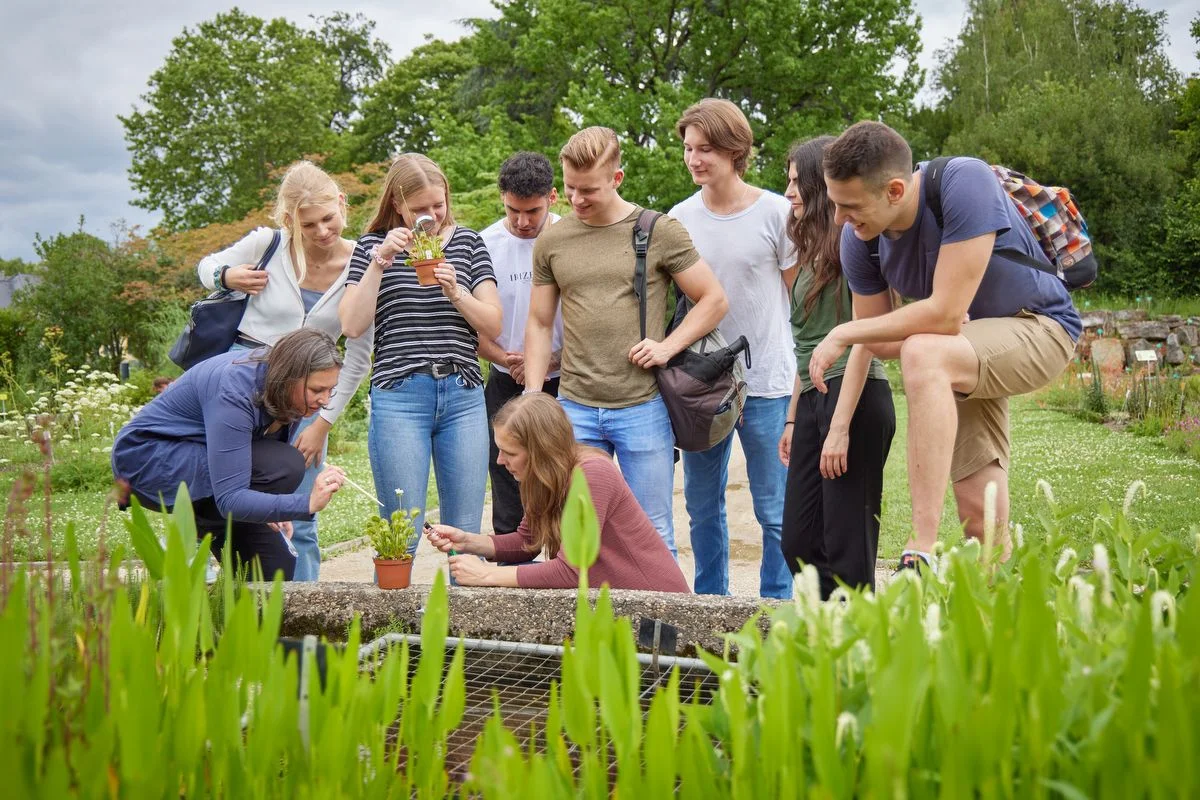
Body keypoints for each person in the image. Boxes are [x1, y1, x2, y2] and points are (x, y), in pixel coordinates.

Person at [812, 121, 1081, 572]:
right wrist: (895, 333)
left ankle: (921, 548)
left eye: (849, 205)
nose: (839, 218)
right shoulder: (860, 239)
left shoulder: (963, 182)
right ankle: (997, 615)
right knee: (979, 514)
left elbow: (942, 315)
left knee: (923, 349)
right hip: (964, 349)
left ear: (895, 190)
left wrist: (843, 332)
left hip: (1042, 327)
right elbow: (880, 340)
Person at [523, 126, 729, 556]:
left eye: (589, 190)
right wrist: (533, 395)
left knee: (652, 533)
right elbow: (540, 323)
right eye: (571, 188)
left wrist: (667, 346)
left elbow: (713, 300)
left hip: (642, 406)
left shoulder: (658, 231)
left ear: (617, 179)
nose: (577, 200)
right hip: (575, 406)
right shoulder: (553, 239)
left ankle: (656, 625)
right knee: (575, 534)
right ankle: (586, 624)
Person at [195, 160, 373, 581]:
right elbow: (206, 268)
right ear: (291, 221)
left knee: (304, 511)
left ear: (342, 204)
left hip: (309, 402)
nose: (322, 232)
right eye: (308, 225)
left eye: (328, 218)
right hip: (243, 390)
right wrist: (228, 275)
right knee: (223, 499)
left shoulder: (361, 263)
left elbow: (358, 356)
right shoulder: (268, 243)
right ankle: (228, 598)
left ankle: (303, 616)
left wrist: (323, 422)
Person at [339, 153, 502, 560]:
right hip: (399, 397)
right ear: (397, 204)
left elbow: (493, 325)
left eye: (438, 205)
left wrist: (456, 292)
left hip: (462, 396)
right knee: (400, 536)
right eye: (420, 209)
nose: (431, 215)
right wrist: (381, 261)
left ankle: (462, 625)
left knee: (464, 535)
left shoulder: (467, 243)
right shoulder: (372, 248)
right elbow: (352, 325)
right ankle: (391, 625)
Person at [669, 98, 795, 599]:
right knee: (702, 507)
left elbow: (797, 298)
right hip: (702, 387)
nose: (695, 159)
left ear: (735, 150)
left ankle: (775, 609)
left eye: (706, 149)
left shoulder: (777, 213)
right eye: (688, 148)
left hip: (765, 379)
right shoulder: (679, 219)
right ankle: (711, 605)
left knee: (774, 510)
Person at [112, 329, 348, 580]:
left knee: (273, 569)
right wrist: (305, 504)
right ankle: (190, 531)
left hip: (201, 460)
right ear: (290, 377)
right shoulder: (235, 389)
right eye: (317, 390)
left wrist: (271, 508)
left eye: (330, 390)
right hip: (147, 461)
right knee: (285, 465)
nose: (324, 400)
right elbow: (231, 498)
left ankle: (201, 535)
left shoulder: (289, 390)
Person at [777, 136, 896, 598]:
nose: (788, 193)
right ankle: (828, 637)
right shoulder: (810, 256)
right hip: (812, 402)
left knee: (848, 550)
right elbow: (805, 347)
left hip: (856, 397)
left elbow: (866, 336)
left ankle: (852, 654)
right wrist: (793, 416)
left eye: (794, 182)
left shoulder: (857, 247)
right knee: (800, 543)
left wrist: (840, 426)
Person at [424, 393, 690, 592]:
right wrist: (468, 541)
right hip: (609, 600)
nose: (500, 461)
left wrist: (485, 575)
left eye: (510, 453)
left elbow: (570, 572)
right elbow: (526, 542)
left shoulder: (592, 473)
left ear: (541, 450)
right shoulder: (542, 477)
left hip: (655, 607)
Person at [478, 152, 564, 536]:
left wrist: (547, 361)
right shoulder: (483, 244)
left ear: (553, 197)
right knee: (507, 481)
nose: (523, 221)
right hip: (503, 377)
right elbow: (467, 320)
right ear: (502, 198)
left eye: (533, 211)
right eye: (514, 211)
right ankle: (509, 577)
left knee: (561, 481)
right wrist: (504, 358)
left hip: (563, 379)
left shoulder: (570, 235)